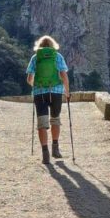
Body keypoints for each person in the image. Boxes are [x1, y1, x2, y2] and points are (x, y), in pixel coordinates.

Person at [26, 35, 70, 165]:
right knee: (55, 119)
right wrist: (67, 92)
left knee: (42, 123)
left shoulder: (35, 58)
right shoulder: (58, 56)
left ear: (39, 46)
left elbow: (29, 79)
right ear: (52, 46)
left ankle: (45, 154)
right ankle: (55, 149)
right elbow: (64, 76)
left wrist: (37, 87)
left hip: (40, 94)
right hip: (56, 92)